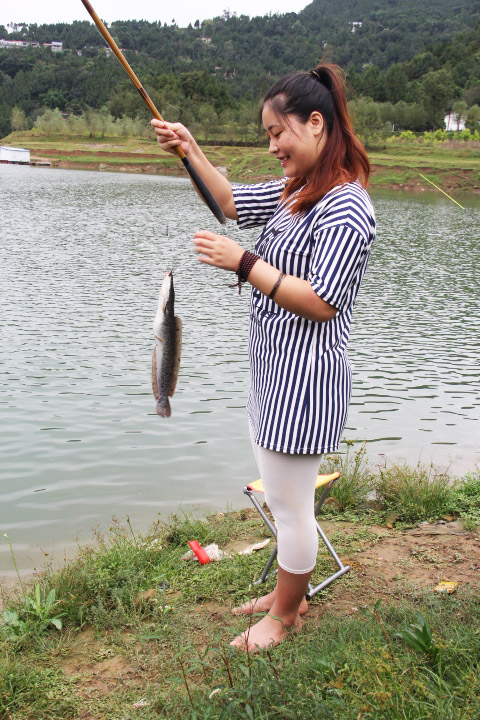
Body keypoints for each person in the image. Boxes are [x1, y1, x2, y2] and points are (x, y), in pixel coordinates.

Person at [151, 63, 375, 652]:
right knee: (281, 499)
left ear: (317, 124)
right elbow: (226, 201)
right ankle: (285, 597)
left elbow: (324, 301)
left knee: (292, 506)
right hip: (273, 375)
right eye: (268, 136)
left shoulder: (346, 206)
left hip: (306, 381)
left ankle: (284, 617)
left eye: (279, 133)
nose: (273, 146)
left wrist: (244, 264)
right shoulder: (295, 194)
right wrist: (189, 148)